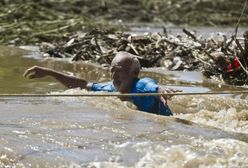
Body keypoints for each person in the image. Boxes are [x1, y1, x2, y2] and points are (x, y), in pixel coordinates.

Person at [23, 51, 180, 116]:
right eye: (112, 71)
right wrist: (50, 72)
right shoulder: (110, 88)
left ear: (135, 73)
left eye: (120, 71)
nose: (114, 76)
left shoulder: (141, 86)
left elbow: (154, 86)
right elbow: (83, 85)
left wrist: (163, 90)